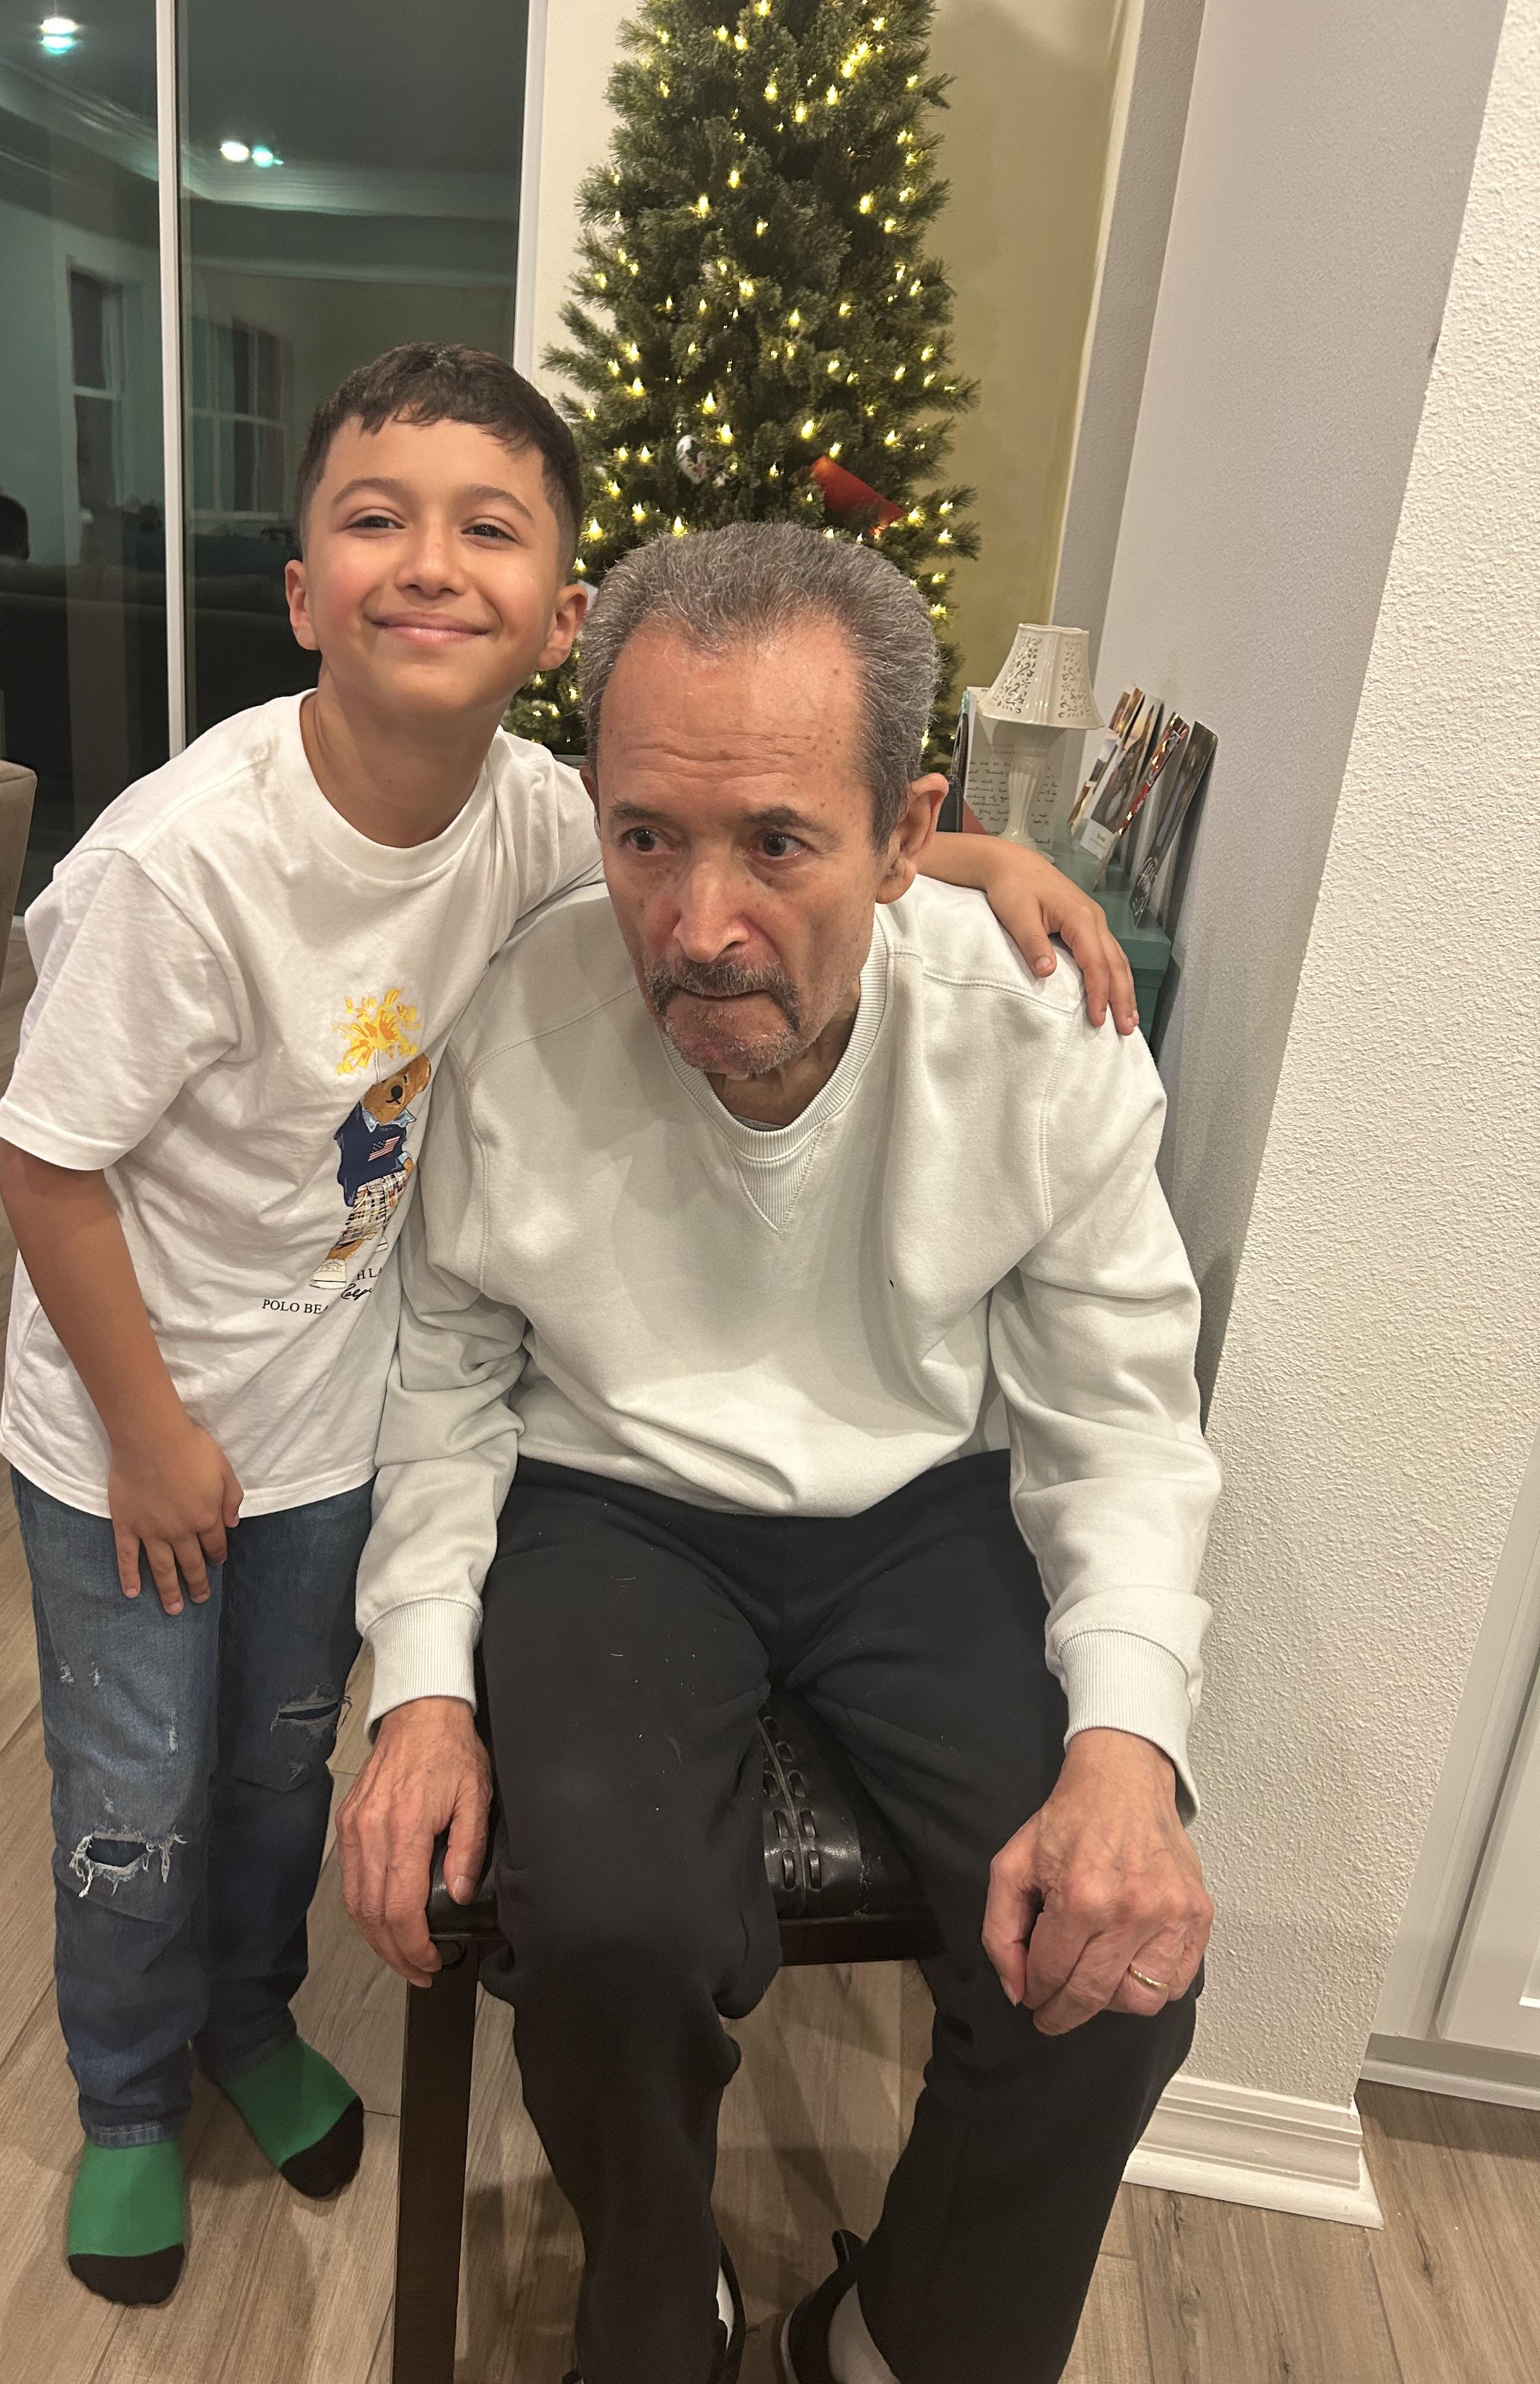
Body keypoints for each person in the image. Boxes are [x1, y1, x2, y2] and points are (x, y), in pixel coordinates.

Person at [0, 345, 1133, 2308]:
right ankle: (122, 2102)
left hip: (328, 1411)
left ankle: (252, 2025)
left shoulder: (547, 818)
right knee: (132, 1787)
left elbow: (758, 830)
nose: (428, 567)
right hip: (141, 1414)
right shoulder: (188, 863)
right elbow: (43, 1161)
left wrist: (973, 866)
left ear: (559, 609)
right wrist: (157, 1436)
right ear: (298, 588)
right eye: (371, 518)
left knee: (270, 1765)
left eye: (488, 526)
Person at [339, 521, 1220, 2384]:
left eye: (780, 845)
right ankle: (659, 2318)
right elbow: (443, 1368)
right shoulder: (528, 1013)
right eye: (646, 835)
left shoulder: (1040, 1036)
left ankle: (903, 2338)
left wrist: (1132, 1746)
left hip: (919, 1501)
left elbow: (1123, 1417)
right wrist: (420, 1688)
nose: (699, 923)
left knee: (1119, 1958)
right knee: (600, 1925)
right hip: (614, 1503)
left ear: (910, 833)